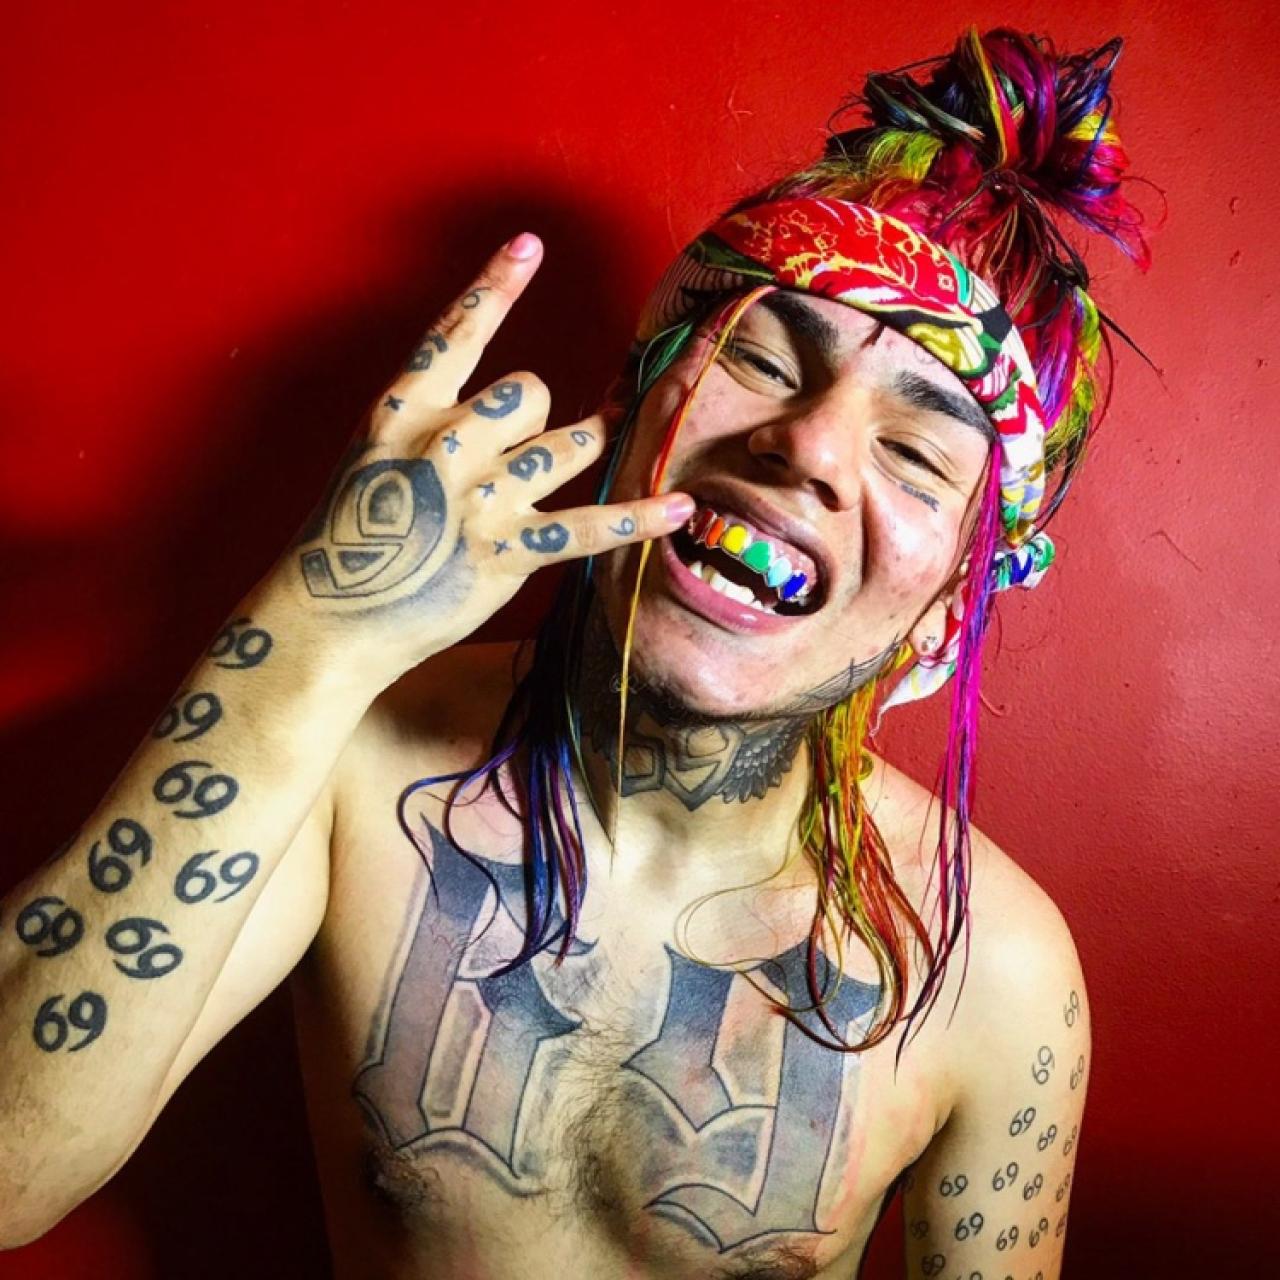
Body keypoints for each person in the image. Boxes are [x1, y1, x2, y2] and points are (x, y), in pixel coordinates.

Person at [0, 24, 1151, 1279]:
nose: (809, 444)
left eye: (916, 452)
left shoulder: (991, 971)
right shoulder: (352, 761)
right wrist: (320, 618)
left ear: (946, 613)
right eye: (761, 355)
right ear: (627, 410)